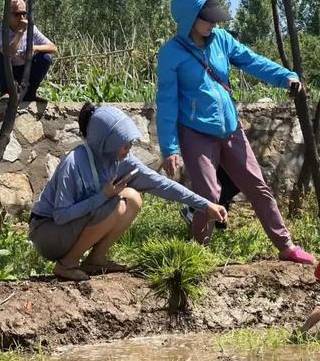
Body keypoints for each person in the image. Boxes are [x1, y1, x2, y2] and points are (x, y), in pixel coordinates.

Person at [156, 0, 314, 264]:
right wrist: (170, 147)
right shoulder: (171, 54)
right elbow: (167, 103)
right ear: (189, 18)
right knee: (207, 195)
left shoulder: (221, 40)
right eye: (208, 18)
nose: (214, 23)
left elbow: (252, 61)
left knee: (258, 187)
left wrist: (285, 76)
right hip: (195, 133)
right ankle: (198, 255)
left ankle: (286, 246)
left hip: (230, 129)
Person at [30, 103, 227, 281]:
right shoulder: (73, 163)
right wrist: (103, 197)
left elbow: (161, 184)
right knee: (116, 204)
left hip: (71, 228)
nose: (129, 148)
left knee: (132, 197)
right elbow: (61, 215)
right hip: (48, 234)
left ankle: (96, 261)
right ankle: (66, 265)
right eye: (124, 143)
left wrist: (204, 205)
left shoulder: (120, 160)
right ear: (106, 142)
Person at [178, 0, 237, 230]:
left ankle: (215, 209)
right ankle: (203, 210)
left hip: (214, 75)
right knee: (212, 163)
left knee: (228, 165)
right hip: (197, 66)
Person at [0, 0, 57, 101]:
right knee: (0, 56)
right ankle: (6, 92)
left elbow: (53, 48)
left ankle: (30, 93)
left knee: (45, 58)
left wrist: (34, 48)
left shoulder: (31, 29)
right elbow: (9, 53)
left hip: (24, 71)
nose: (21, 18)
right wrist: (20, 32)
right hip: (4, 73)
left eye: (24, 14)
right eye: (17, 14)